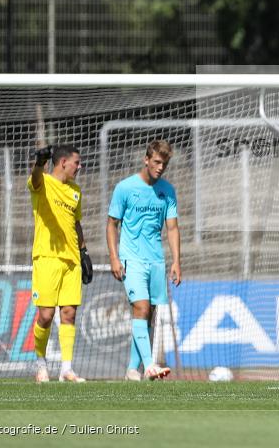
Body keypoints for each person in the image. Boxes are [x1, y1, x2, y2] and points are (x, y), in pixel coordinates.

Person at [107, 140, 182, 381]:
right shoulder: (125, 188)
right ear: (146, 159)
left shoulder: (167, 191)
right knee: (140, 307)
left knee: (147, 313)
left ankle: (132, 369)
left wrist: (176, 261)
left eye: (165, 163)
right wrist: (114, 258)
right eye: (157, 162)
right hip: (131, 258)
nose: (161, 167)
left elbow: (172, 228)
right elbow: (111, 224)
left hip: (156, 261)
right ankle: (149, 365)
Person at [29, 144, 87, 383]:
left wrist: (84, 252)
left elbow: (76, 223)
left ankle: (66, 369)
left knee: (69, 313)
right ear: (63, 162)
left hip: (71, 259)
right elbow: (34, 179)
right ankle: (40, 363)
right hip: (47, 257)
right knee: (45, 315)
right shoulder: (42, 182)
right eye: (77, 162)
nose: (80, 166)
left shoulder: (75, 191)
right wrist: (39, 163)